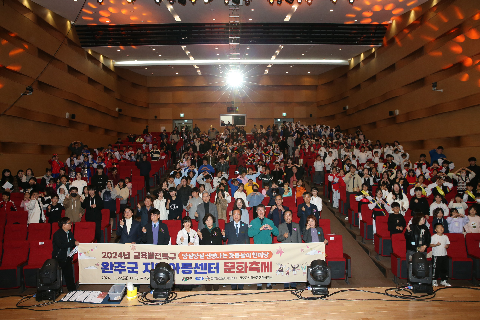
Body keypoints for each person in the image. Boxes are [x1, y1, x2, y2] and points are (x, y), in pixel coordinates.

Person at [248, 204, 279, 290]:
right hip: (257, 247)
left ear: (265, 211)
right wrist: (259, 229)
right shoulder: (253, 222)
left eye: (262, 210)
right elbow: (249, 234)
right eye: (259, 210)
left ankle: (269, 283)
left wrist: (271, 228)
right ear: (256, 211)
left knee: (268, 265)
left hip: (268, 247)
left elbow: (277, 233)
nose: (261, 212)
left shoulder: (270, 221)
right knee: (259, 266)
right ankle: (259, 284)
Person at [222, 209, 249, 290]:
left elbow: (247, 239)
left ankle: (241, 286)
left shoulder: (245, 225)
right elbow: (224, 239)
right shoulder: (227, 225)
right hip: (231, 251)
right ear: (232, 216)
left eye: (238, 214)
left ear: (240, 216)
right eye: (234, 214)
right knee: (232, 268)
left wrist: (247, 250)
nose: (236, 216)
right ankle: (233, 286)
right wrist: (223, 235)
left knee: (241, 268)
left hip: (241, 251)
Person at [52, 217, 79, 292]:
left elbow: (72, 241)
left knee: (69, 276)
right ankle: (56, 291)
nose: (71, 225)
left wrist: (76, 243)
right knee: (58, 276)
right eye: (69, 223)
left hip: (68, 257)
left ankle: (72, 291)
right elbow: (61, 245)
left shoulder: (69, 233)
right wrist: (72, 243)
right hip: (59, 258)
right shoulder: (57, 234)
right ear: (63, 225)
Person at [277, 210, 302, 289]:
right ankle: (286, 284)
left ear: (292, 216)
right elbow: (278, 238)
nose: (288, 217)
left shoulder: (296, 225)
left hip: (294, 250)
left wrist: (300, 249)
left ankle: (293, 284)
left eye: (289, 215)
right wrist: (283, 236)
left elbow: (299, 239)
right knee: (286, 266)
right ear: (284, 217)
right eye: (286, 215)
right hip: (285, 250)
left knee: (294, 267)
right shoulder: (281, 226)